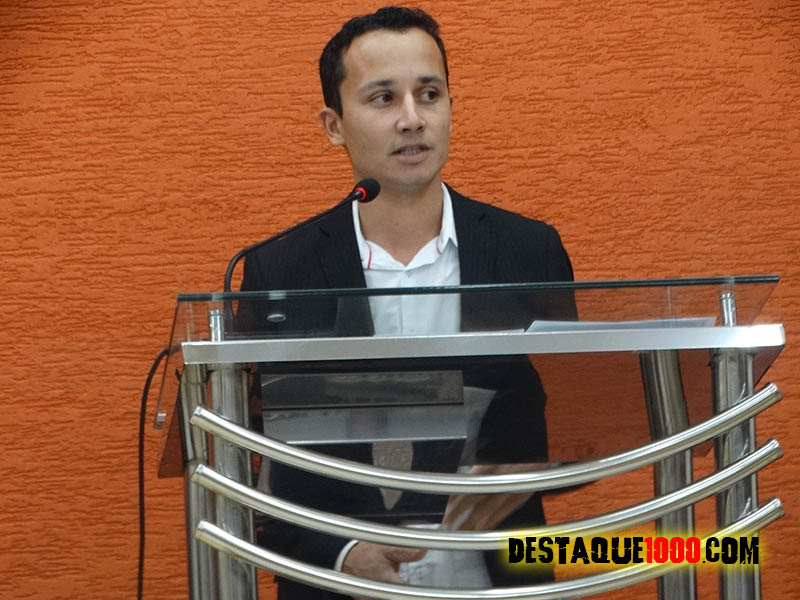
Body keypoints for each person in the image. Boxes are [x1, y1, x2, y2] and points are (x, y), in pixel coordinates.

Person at [239, 7, 575, 599]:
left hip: (495, 582)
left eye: (429, 94)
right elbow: (257, 464)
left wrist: (540, 465)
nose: (412, 119)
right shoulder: (282, 270)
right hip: (338, 586)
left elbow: (582, 424)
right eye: (383, 98)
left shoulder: (528, 251)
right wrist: (341, 552)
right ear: (334, 125)